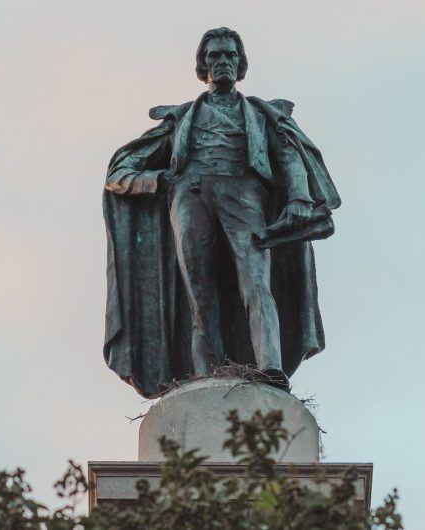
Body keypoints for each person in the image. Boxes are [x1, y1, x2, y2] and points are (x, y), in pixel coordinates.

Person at [102, 27, 340, 396]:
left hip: (245, 195)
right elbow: (119, 174)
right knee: (199, 293)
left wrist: (298, 198)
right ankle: (206, 375)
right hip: (190, 197)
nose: (223, 61)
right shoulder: (181, 119)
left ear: (240, 64)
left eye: (230, 55)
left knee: (257, 283)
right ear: (204, 65)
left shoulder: (262, 114)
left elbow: (290, 154)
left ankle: (270, 367)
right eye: (215, 56)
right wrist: (159, 180)